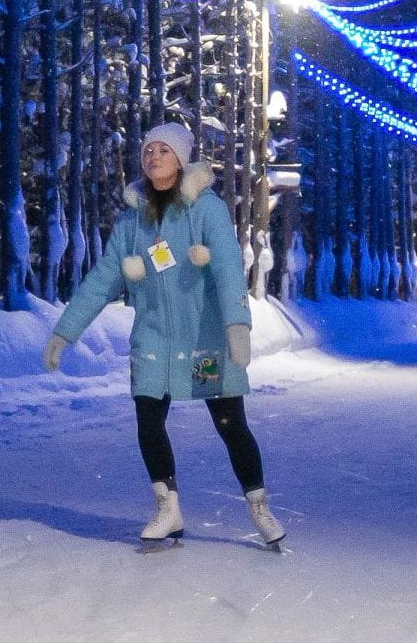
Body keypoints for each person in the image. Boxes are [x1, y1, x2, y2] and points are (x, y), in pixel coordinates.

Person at [43, 122, 286, 550]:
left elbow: (229, 268)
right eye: (148, 150)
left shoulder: (206, 209)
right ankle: (167, 507)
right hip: (153, 338)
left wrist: (237, 325)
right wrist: (66, 331)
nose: (153, 156)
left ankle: (259, 507)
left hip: (205, 338)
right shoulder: (133, 220)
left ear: (181, 159)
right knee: (148, 418)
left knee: (230, 424)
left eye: (163, 150)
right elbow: (102, 278)